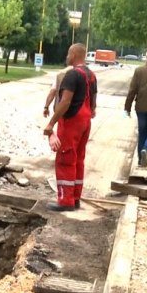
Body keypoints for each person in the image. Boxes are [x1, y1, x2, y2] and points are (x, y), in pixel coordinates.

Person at [43, 44, 98, 211]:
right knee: (78, 159)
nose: (67, 56)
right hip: (85, 120)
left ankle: (65, 201)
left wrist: (51, 123)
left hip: (72, 121)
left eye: (68, 53)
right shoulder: (91, 74)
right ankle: (75, 198)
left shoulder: (72, 75)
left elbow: (65, 101)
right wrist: (92, 110)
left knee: (65, 159)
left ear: (74, 54)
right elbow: (93, 97)